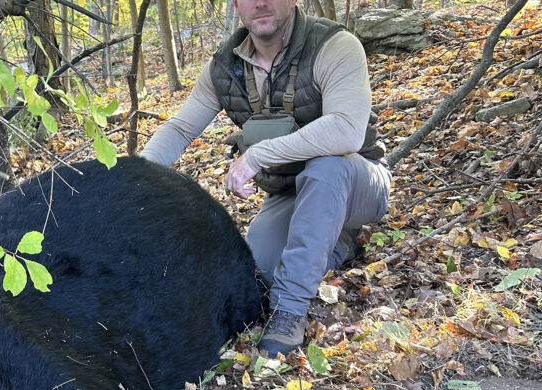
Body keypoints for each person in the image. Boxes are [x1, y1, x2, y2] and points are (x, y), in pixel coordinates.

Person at [139, 0, 392, 356]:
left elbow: (347, 130)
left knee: (327, 168)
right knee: (256, 274)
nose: (260, 3)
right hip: (290, 192)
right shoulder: (225, 67)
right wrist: (137, 173)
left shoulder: (334, 45)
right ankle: (339, 242)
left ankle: (290, 313)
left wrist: (257, 155)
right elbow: (181, 128)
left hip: (357, 181)